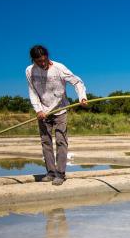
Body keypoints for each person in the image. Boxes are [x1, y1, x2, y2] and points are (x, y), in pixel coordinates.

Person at [26, 45, 88, 186]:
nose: (42, 64)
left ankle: (60, 174)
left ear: (47, 56)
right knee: (46, 142)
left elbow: (77, 82)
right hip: (43, 111)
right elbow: (33, 92)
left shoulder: (59, 68)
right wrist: (38, 110)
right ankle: (50, 172)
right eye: (38, 61)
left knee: (61, 141)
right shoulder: (29, 71)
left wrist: (82, 97)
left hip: (60, 109)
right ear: (33, 60)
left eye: (44, 60)